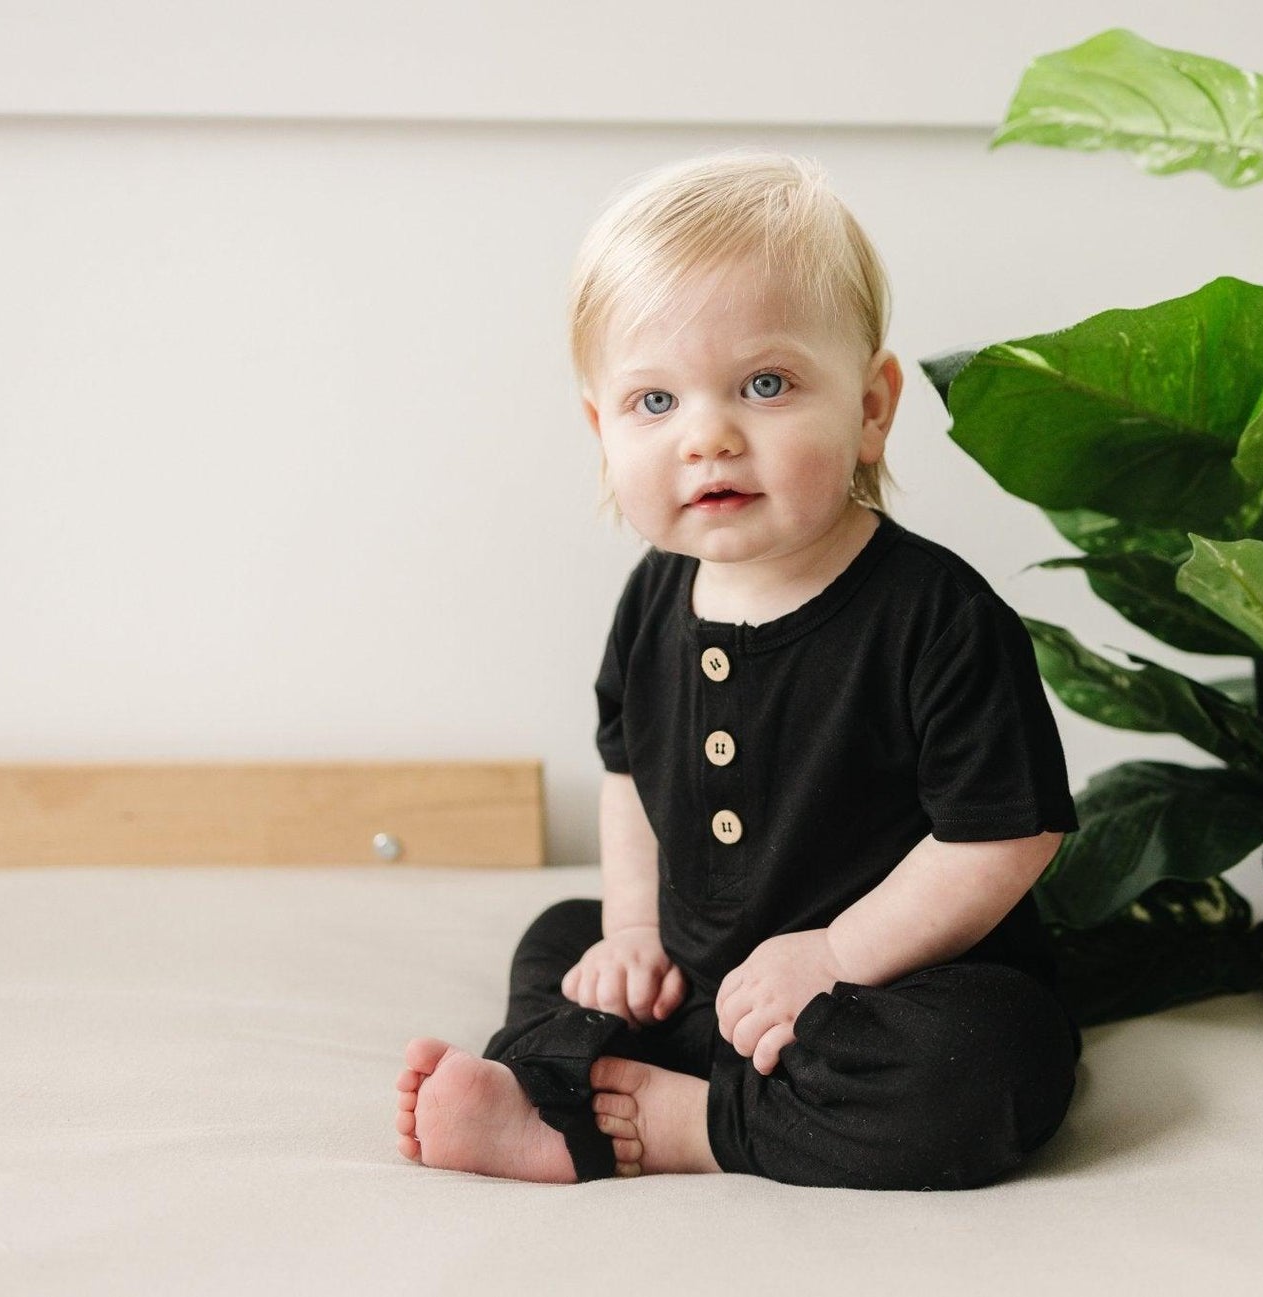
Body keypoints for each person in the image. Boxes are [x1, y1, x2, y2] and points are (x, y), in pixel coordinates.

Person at [392, 148, 1082, 1190]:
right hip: (696, 981)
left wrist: (836, 956)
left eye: (765, 384)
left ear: (870, 406)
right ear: (601, 430)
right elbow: (628, 775)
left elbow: (1004, 838)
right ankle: (554, 1094)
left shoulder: (936, 616)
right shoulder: (652, 599)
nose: (706, 436)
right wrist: (633, 933)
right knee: (563, 936)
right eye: (653, 401)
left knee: (983, 1061)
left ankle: (686, 1123)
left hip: (883, 986)